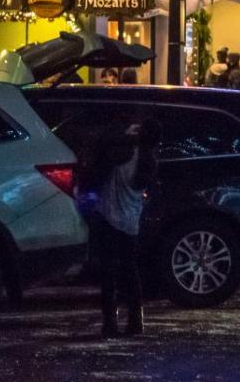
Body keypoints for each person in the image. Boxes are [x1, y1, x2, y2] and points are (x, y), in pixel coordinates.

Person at [82, 120, 161, 337]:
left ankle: (110, 322)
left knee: (108, 271)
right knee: (129, 269)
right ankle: (136, 321)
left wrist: (124, 135)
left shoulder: (120, 154)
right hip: (131, 220)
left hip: (108, 216)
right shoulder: (148, 161)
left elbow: (100, 156)